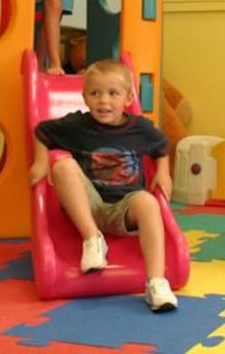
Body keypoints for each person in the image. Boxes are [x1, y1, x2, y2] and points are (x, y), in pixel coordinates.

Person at [28, 59, 178, 312]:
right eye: (95, 93)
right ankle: (92, 240)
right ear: (84, 97)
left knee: (148, 202)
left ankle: (156, 282)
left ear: (128, 98)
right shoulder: (77, 126)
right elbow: (42, 131)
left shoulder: (139, 128)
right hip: (87, 206)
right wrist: (41, 162)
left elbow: (162, 145)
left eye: (113, 93)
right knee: (63, 166)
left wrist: (163, 173)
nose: (103, 101)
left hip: (124, 207)